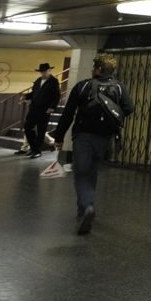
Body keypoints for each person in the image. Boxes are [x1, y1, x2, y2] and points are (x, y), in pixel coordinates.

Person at [51, 54, 132, 234]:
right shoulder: (119, 87)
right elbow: (129, 108)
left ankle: (86, 207)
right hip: (104, 137)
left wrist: (59, 137)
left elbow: (68, 113)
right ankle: (86, 207)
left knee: (81, 172)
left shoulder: (84, 86)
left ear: (98, 69)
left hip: (83, 136)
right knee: (92, 171)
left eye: (94, 67)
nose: (92, 69)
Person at [21, 62, 62, 159]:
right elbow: (34, 92)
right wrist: (26, 96)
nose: (42, 73)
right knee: (27, 128)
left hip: (44, 109)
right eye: (41, 72)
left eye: (44, 71)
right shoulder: (38, 80)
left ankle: (37, 150)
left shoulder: (53, 81)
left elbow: (56, 96)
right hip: (34, 108)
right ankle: (34, 147)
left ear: (49, 71)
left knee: (41, 130)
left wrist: (52, 107)